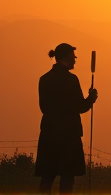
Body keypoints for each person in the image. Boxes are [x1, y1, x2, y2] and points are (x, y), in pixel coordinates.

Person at [35, 43, 98, 194]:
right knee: (67, 176)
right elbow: (80, 107)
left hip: (49, 132)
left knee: (48, 176)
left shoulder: (44, 79)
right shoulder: (71, 80)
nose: (75, 59)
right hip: (68, 134)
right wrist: (91, 98)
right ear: (66, 58)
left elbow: (43, 107)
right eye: (73, 56)